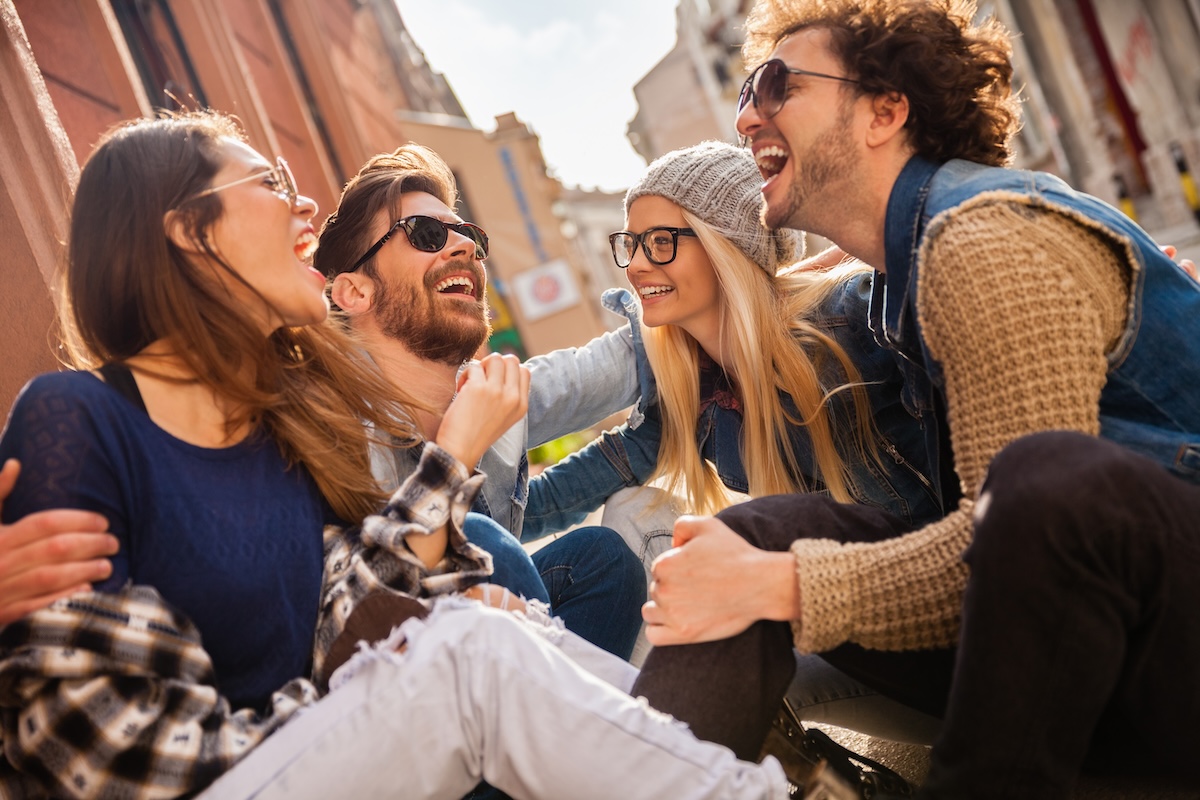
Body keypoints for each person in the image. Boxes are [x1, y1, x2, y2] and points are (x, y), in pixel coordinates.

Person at [0, 110, 794, 799]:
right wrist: (391, 667)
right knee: (472, 642)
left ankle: (748, 774)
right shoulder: (77, 421)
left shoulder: (282, 433)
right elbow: (103, 759)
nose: (302, 201)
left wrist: (776, 282)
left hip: (327, 748)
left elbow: (350, 611)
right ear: (189, 229)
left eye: (467, 235)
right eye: (269, 183)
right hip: (243, 765)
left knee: (509, 617)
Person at [640, 0, 1200, 797]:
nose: (748, 117)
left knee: (1044, 481)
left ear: (884, 111)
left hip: (1164, 630)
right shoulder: (900, 283)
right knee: (757, 533)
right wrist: (759, 569)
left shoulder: (982, 238)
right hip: (1088, 636)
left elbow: (1025, 540)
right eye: (743, 95)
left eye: (776, 86)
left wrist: (786, 585)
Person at [311, 145, 646, 660]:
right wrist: (456, 452)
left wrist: (779, 285)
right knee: (489, 547)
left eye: (470, 235)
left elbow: (629, 358)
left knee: (601, 559)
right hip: (393, 682)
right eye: (427, 234)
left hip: (496, 661)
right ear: (354, 291)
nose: (463, 248)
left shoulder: (485, 391)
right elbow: (356, 620)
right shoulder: (326, 430)